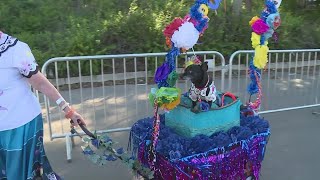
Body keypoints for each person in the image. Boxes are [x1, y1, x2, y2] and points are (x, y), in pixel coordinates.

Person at [0, 31, 86, 179]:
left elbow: (40, 83)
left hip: (22, 126)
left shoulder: (15, 50)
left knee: (21, 175)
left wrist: (69, 111)